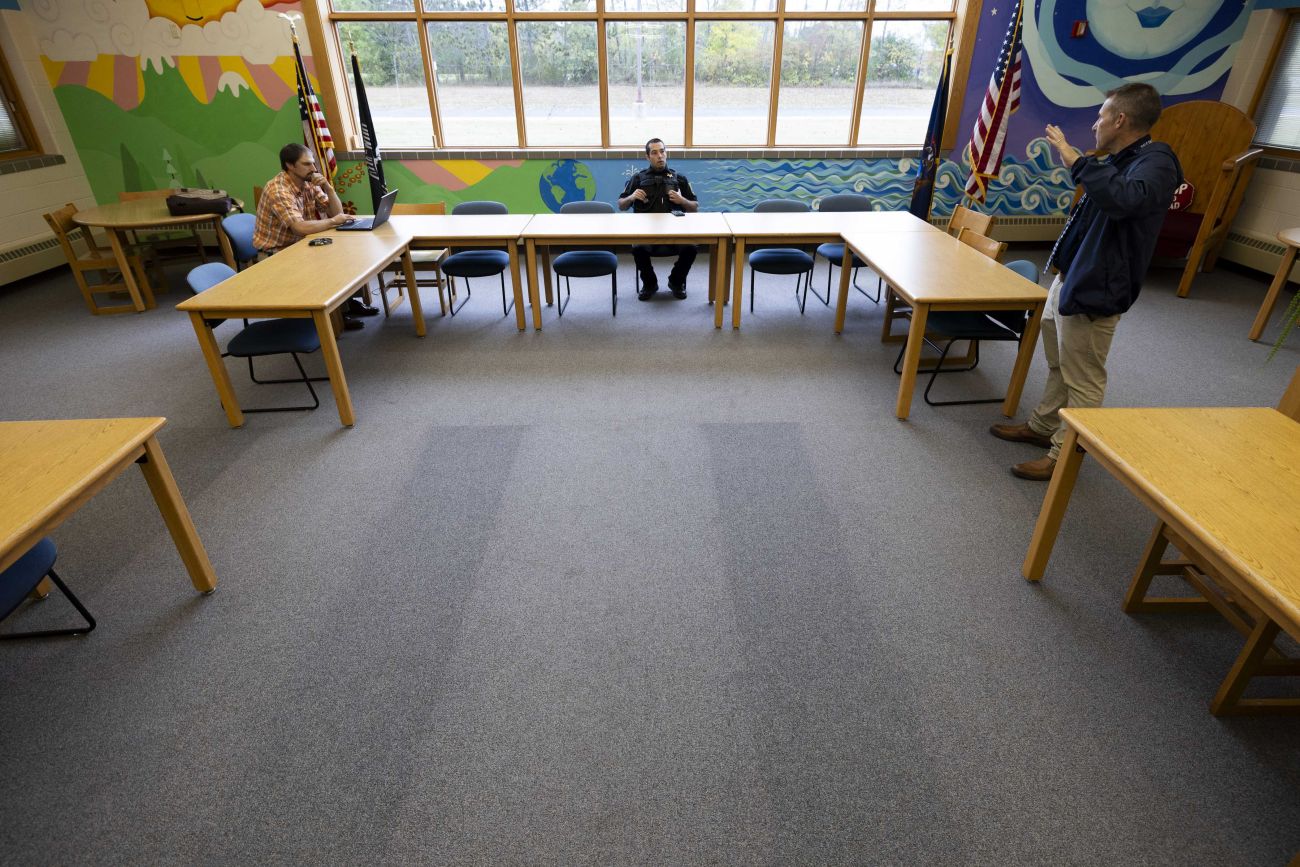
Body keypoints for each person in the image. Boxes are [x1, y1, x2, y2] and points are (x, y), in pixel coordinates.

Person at [990, 83, 1183, 481]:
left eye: (1100, 116)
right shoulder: (1118, 158)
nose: (1095, 123)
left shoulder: (1157, 162)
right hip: (1071, 278)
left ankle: (1064, 456)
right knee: (1061, 363)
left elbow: (1125, 200)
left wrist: (1076, 160)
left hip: (1098, 289)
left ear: (1120, 119)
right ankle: (1043, 428)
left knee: (1084, 377)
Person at [253, 142, 376, 330]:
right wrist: (334, 222)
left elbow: (335, 212)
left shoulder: (308, 182)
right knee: (329, 263)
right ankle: (336, 317)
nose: (314, 168)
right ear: (290, 166)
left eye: (313, 163)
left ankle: (346, 306)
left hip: (302, 244)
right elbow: (299, 228)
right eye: (307, 164)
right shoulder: (279, 190)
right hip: (277, 253)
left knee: (347, 254)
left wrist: (329, 188)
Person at [617, 138, 699, 300]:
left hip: (676, 234)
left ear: (666, 154)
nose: (659, 156)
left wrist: (682, 201)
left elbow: (695, 207)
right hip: (646, 234)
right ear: (648, 157)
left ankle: (676, 282)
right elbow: (621, 205)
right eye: (654, 153)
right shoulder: (638, 178)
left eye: (662, 151)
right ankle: (650, 284)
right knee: (638, 248)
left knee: (691, 247)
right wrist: (632, 196)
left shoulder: (679, 178)